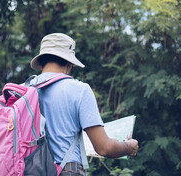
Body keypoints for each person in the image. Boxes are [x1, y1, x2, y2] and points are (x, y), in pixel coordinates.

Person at [29, 33, 139, 175]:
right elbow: (103, 148)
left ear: (39, 63)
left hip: (30, 170)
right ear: (70, 64)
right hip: (67, 170)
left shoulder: (22, 91)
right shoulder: (79, 90)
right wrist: (128, 147)